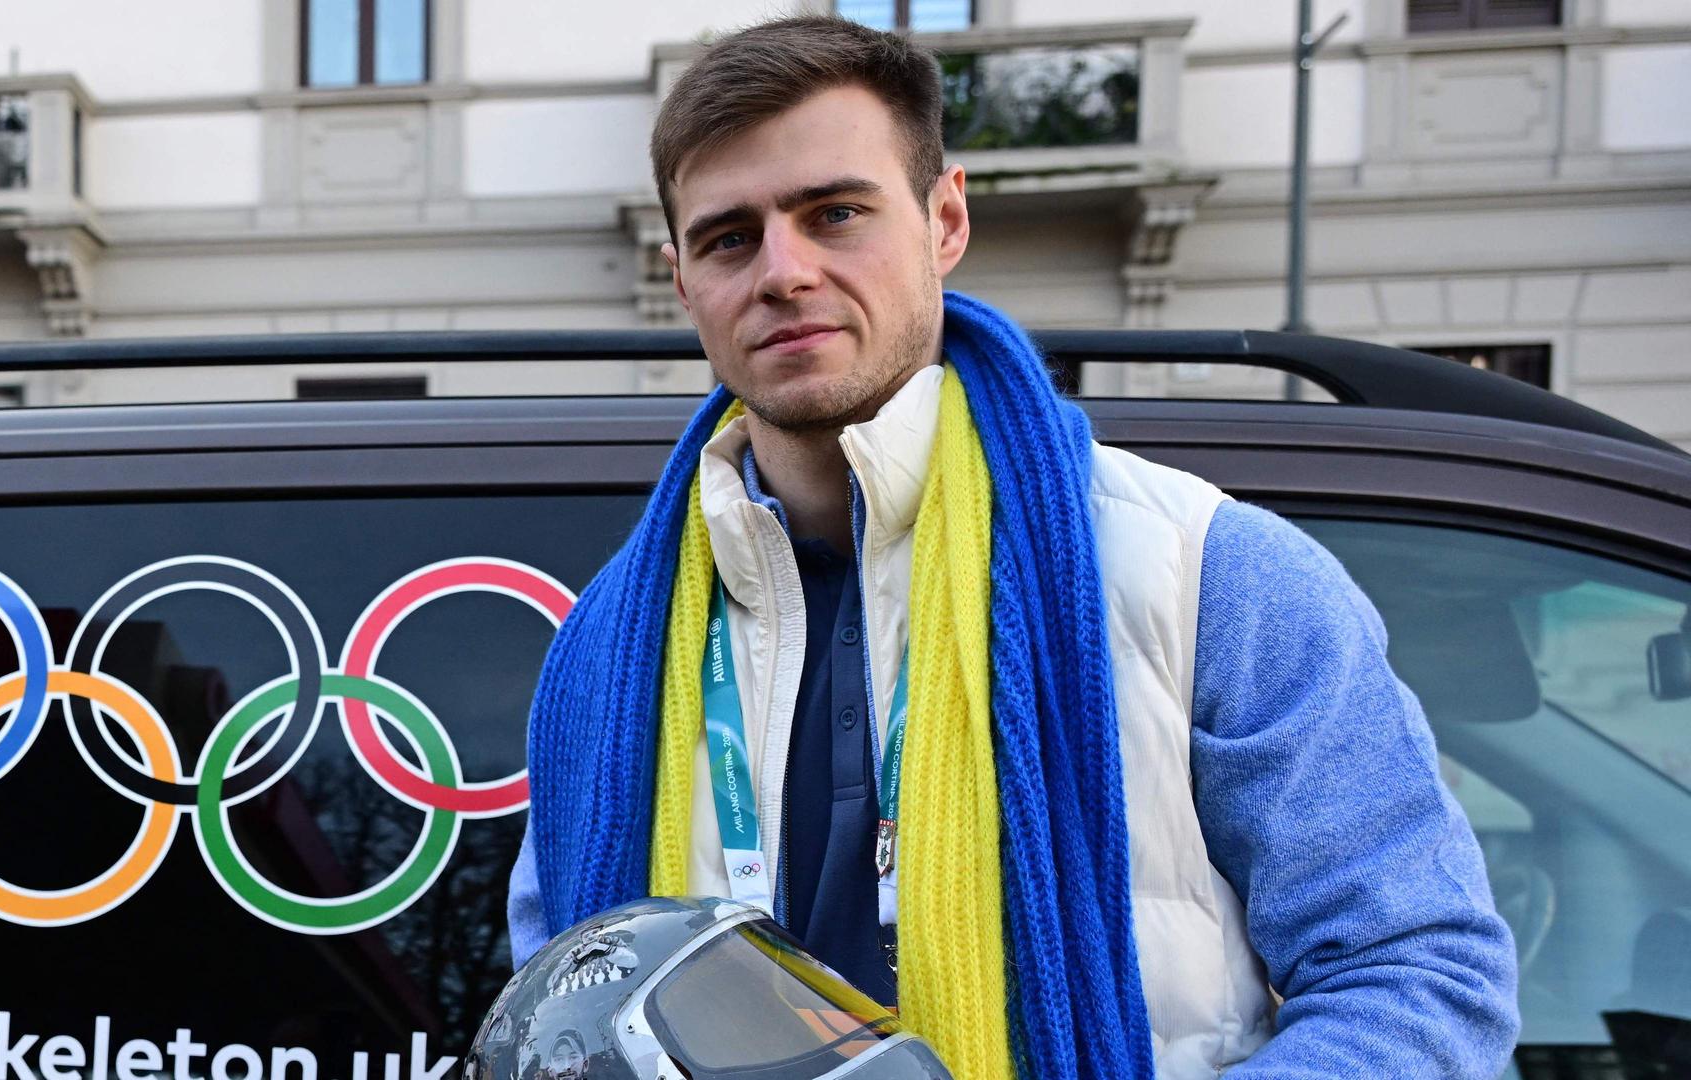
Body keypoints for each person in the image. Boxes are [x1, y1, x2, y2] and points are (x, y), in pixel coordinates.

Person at [507, 15, 1518, 1079]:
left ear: (944, 219)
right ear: (682, 280)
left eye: (836, 213)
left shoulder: (1201, 573)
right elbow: (568, 1008)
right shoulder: (606, 651)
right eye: (730, 238)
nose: (784, 271)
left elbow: (1420, 976)